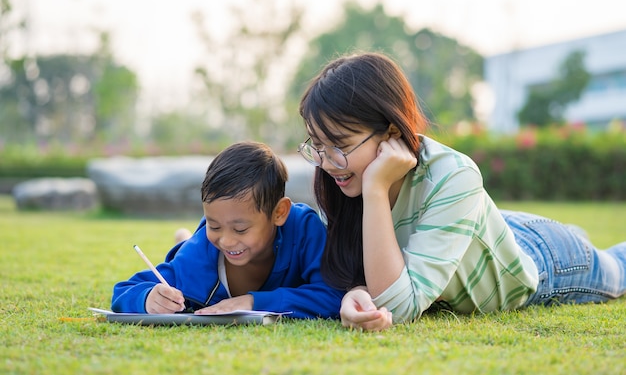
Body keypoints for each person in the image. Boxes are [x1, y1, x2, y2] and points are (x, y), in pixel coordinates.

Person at [297, 51, 626, 331]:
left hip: (540, 260)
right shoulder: (341, 177)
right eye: (318, 144)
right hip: (480, 232)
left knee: (619, 269)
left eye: (339, 145)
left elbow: (398, 305)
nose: (326, 162)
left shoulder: (452, 175)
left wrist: (376, 189)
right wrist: (356, 290)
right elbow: (356, 270)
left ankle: (572, 237)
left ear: (391, 132)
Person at [111, 141, 344, 319]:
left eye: (240, 229)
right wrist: (148, 299)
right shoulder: (197, 257)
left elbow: (335, 294)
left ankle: (185, 236)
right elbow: (123, 291)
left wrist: (253, 302)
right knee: (190, 246)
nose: (227, 241)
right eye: (214, 225)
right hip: (196, 249)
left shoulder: (304, 229)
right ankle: (185, 238)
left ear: (279, 213)